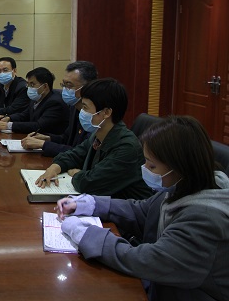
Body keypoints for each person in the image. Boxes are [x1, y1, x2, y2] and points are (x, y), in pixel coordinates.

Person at [55, 116, 229, 301]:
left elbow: (147, 260)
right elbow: (143, 211)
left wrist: (84, 234)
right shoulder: (182, 185)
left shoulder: (204, 219)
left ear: (181, 167)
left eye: (151, 165)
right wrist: (90, 204)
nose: (144, 169)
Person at [37, 78, 152, 199]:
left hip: (124, 207)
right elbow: (75, 154)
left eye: (85, 108)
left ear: (106, 113)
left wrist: (76, 173)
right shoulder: (98, 134)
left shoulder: (126, 147)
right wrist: (55, 167)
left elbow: (89, 184)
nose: (81, 112)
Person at [21, 60, 97, 156]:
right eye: (63, 85)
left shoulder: (95, 115)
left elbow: (82, 153)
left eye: (69, 85)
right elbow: (66, 138)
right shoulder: (74, 107)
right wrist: (48, 138)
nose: (64, 89)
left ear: (87, 87)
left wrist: (43, 144)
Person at [0, 67, 68, 134]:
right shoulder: (36, 98)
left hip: (48, 141)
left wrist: (9, 125)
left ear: (45, 86)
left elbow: (38, 126)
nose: (28, 88)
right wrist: (9, 118)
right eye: (28, 84)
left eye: (32, 84)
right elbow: (25, 115)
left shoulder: (55, 103)